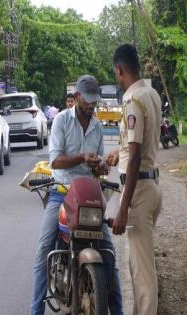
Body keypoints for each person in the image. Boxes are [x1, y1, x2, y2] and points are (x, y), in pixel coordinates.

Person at [31, 75, 123, 315]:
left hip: (90, 195)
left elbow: (98, 163)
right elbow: (55, 160)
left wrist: (101, 166)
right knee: (43, 250)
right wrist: (82, 157)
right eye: (88, 100)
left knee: (109, 254)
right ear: (78, 96)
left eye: (95, 101)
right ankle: (35, 311)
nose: (91, 106)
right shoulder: (61, 120)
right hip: (62, 193)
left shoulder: (98, 126)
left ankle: (119, 311)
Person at [106, 44, 162, 315]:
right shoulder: (150, 94)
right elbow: (139, 143)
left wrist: (124, 207)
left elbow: (137, 156)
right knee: (139, 267)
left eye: (115, 73)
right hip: (151, 186)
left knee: (142, 276)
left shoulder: (132, 101)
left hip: (138, 189)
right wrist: (121, 151)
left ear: (120, 69)